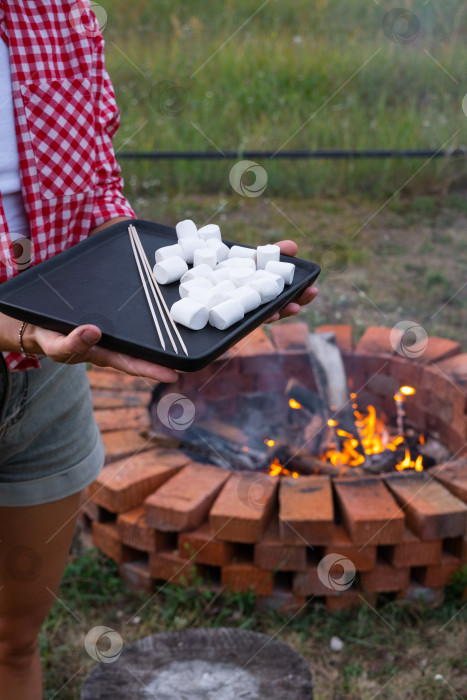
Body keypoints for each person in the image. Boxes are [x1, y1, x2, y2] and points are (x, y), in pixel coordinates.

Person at [0, 2, 318, 698]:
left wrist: (207, 274)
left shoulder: (54, 10)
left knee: (12, 645)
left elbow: (93, 192)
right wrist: (18, 327)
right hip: (32, 339)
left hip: (45, 386)